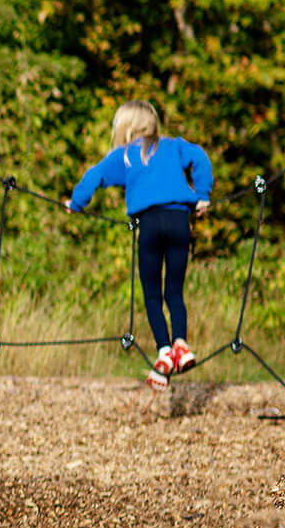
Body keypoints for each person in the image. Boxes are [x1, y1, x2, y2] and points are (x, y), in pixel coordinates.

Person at [67, 99, 214, 389]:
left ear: (126, 127)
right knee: (174, 291)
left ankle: (163, 351)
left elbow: (93, 175)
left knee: (151, 294)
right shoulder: (174, 146)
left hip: (148, 227)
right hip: (178, 222)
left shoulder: (124, 156)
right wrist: (203, 193)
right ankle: (181, 345)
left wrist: (76, 203)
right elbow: (200, 157)